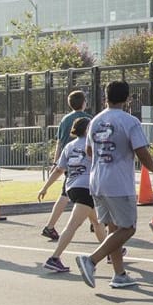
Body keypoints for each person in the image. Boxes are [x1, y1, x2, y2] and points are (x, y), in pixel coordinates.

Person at [75, 80, 153, 290]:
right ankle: (91, 260)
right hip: (118, 182)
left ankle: (119, 274)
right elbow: (142, 151)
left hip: (97, 180)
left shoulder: (95, 121)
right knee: (128, 228)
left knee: (113, 228)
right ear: (128, 99)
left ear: (106, 97)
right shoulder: (129, 121)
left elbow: (89, 151)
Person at [37, 117, 107, 272]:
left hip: (72, 188)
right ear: (88, 129)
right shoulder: (92, 145)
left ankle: (110, 250)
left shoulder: (69, 146)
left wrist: (45, 187)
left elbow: (58, 170)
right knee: (73, 225)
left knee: (97, 222)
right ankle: (54, 258)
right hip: (86, 188)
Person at [41, 90, 92, 241]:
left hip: (69, 159)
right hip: (83, 160)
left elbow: (59, 142)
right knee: (71, 194)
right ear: (84, 103)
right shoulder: (89, 119)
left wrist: (56, 160)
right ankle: (50, 226)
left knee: (71, 193)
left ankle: (95, 222)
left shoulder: (65, 120)